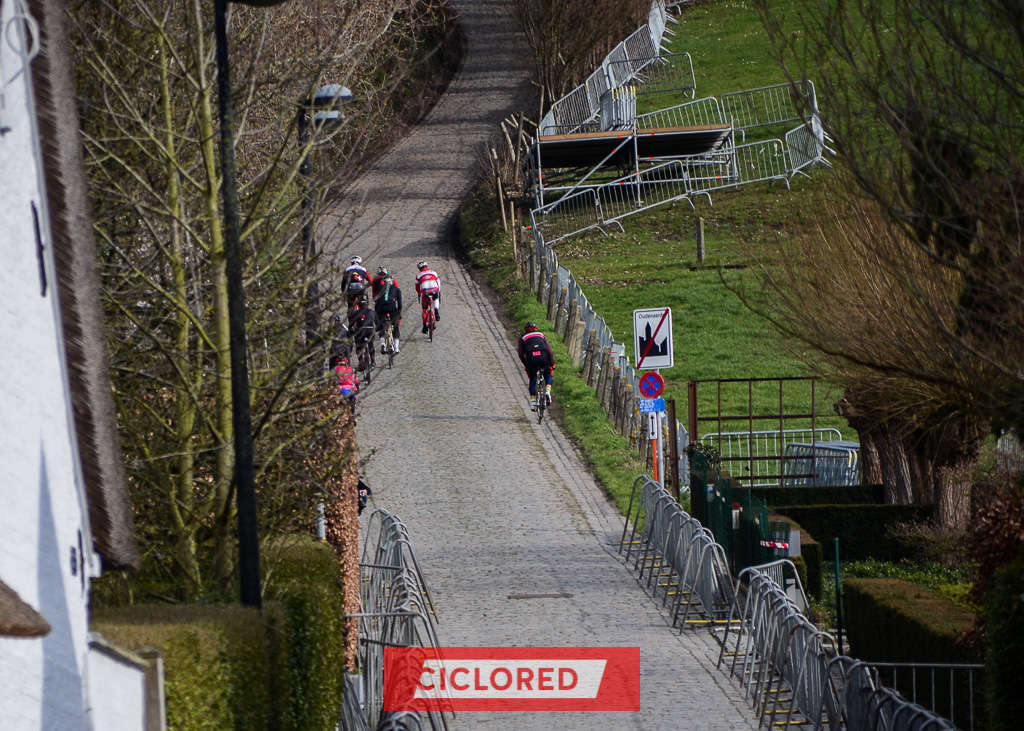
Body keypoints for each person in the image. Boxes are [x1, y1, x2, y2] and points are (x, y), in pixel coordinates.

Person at [517, 322, 554, 411]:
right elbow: (549, 351)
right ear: (535, 328)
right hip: (543, 356)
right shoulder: (541, 335)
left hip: (531, 358)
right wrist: (552, 364)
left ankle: (533, 402)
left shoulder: (522, 338)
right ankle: (548, 392)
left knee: (533, 380)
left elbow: (521, 354)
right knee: (548, 375)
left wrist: (526, 365)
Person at [374, 274, 402, 353]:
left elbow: (377, 302)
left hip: (382, 308)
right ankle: (396, 347)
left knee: (381, 325)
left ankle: (383, 343)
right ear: (392, 281)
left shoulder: (380, 289)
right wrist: (399, 314)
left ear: (383, 282)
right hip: (392, 308)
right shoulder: (397, 289)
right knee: (395, 327)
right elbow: (400, 304)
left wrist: (377, 315)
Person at [414, 260, 441, 334]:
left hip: (425, 290)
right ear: (427, 266)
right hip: (434, 288)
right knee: (436, 298)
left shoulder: (418, 275)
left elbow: (417, 287)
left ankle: (424, 326)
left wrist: (419, 293)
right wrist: (439, 292)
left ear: (419, 268)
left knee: (424, 309)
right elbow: (439, 283)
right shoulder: (434, 272)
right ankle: (436, 311)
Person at [349, 302, 377, 369]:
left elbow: (351, 324)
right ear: (367, 306)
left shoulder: (357, 312)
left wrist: (350, 332)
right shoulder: (372, 312)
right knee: (371, 344)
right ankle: (373, 361)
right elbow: (377, 322)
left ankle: (361, 362)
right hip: (370, 330)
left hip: (360, 331)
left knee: (358, 346)